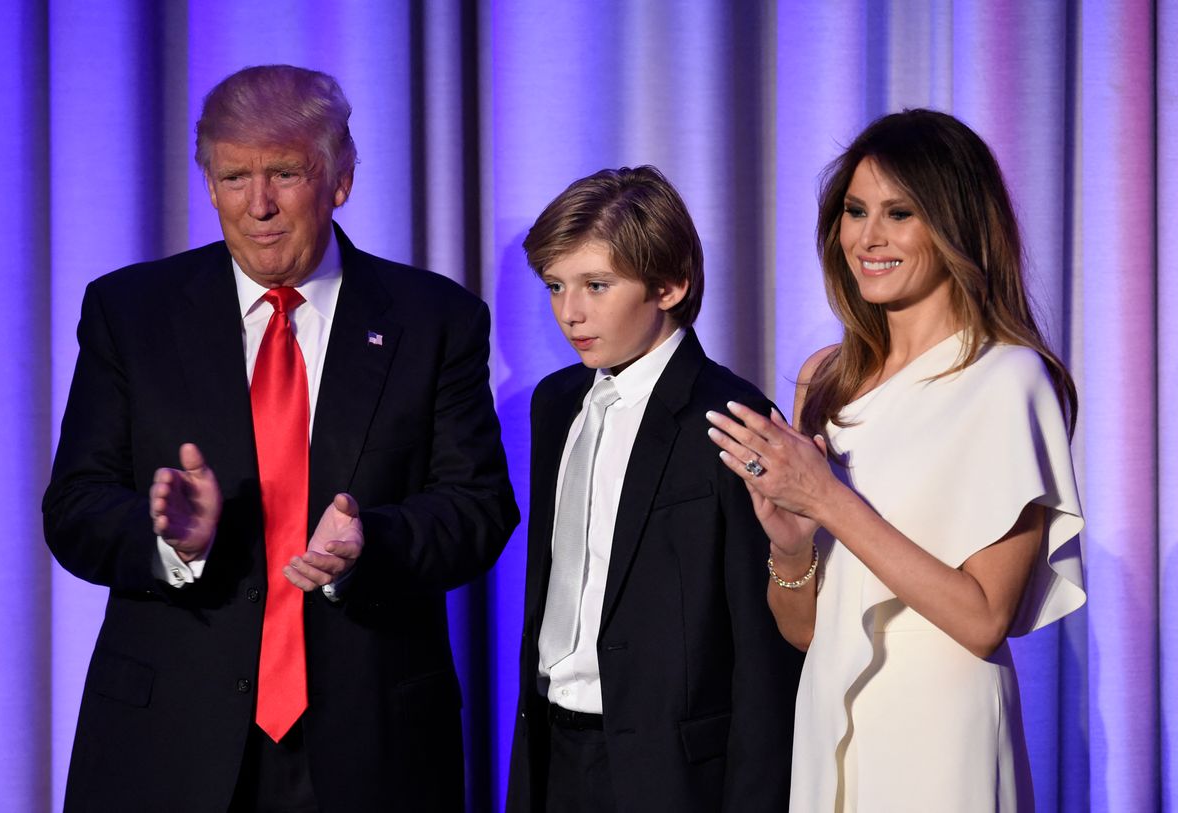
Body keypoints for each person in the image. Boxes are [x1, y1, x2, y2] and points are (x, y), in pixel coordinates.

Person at [42, 64, 518, 812]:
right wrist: (169, 537)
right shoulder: (129, 313)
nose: (257, 204)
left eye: (285, 172)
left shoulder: (434, 320)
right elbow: (73, 507)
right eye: (234, 177)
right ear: (209, 184)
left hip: (371, 743)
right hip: (168, 742)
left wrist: (374, 542)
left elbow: (478, 507)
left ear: (341, 178)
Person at [707, 108, 1085, 810]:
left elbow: (982, 619)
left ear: (955, 225)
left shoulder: (1008, 379)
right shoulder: (824, 377)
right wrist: (790, 552)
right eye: (854, 211)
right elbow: (807, 631)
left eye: (899, 212)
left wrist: (827, 500)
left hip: (940, 731)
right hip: (828, 717)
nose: (867, 237)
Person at [506, 166, 803, 813]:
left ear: (669, 285)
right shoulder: (555, 403)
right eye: (556, 286)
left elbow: (763, 651)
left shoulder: (733, 418)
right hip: (553, 749)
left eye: (596, 285)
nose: (569, 312)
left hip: (673, 773)